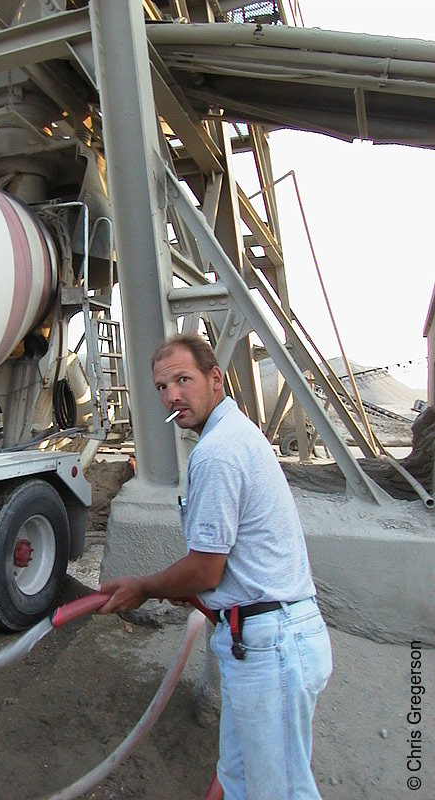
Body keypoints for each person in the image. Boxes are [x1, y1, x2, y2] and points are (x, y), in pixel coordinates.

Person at [99, 333, 332, 800]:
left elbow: (207, 570)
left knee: (281, 793)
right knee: (240, 781)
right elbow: (224, 568)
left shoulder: (218, 452)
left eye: (183, 380)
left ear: (215, 378)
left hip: (271, 647)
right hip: (268, 638)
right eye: (162, 387)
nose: (172, 396)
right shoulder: (236, 434)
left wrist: (145, 586)